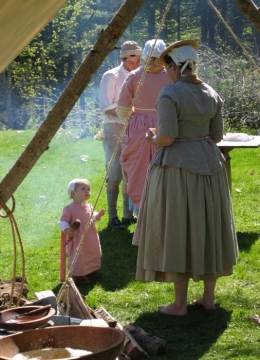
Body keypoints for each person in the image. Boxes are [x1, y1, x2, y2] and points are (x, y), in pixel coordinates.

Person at [133, 40, 239, 316]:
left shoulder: (170, 94)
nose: (165, 71)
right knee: (208, 227)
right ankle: (208, 298)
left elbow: (167, 137)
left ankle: (179, 305)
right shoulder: (211, 93)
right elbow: (216, 136)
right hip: (209, 164)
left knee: (178, 229)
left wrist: (151, 137)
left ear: (176, 66)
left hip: (178, 168)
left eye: (167, 65)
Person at [116, 39, 171, 211]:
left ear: (145, 55)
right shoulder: (171, 75)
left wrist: (134, 113)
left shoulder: (134, 76)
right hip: (165, 122)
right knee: (164, 166)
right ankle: (163, 209)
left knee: (139, 169)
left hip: (139, 126)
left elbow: (122, 110)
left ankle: (142, 212)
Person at [99, 41, 142, 229]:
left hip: (134, 127)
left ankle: (127, 214)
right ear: (123, 58)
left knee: (130, 171)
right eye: (131, 62)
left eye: (137, 61)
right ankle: (112, 216)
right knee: (115, 171)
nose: (135, 65)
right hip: (115, 127)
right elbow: (105, 108)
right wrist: (128, 110)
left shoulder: (141, 76)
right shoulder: (110, 76)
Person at [58, 178, 105, 284]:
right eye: (83, 189)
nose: (87, 191)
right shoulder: (69, 209)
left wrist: (98, 215)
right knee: (79, 255)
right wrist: (67, 229)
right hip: (77, 237)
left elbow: (92, 217)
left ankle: (90, 269)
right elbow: (62, 221)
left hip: (90, 236)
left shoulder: (89, 206)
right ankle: (78, 274)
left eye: (88, 189)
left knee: (92, 251)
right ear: (73, 193)